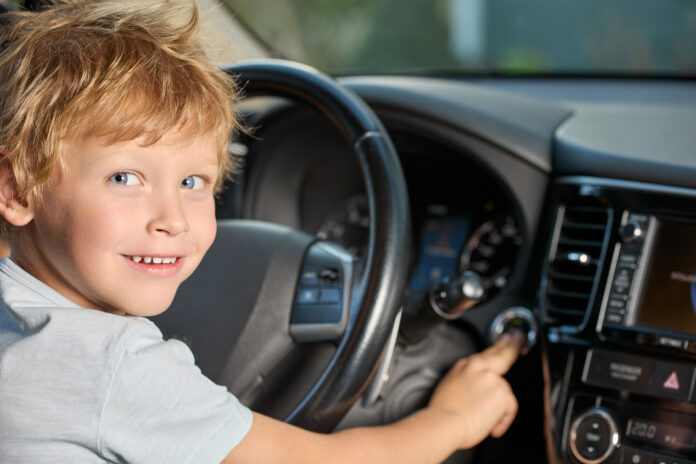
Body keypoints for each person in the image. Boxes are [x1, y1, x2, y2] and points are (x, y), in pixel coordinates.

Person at [0, 1, 521, 463]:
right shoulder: (116, 366)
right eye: (125, 178)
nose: (174, 218)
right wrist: (455, 419)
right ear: (17, 191)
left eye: (192, 181)